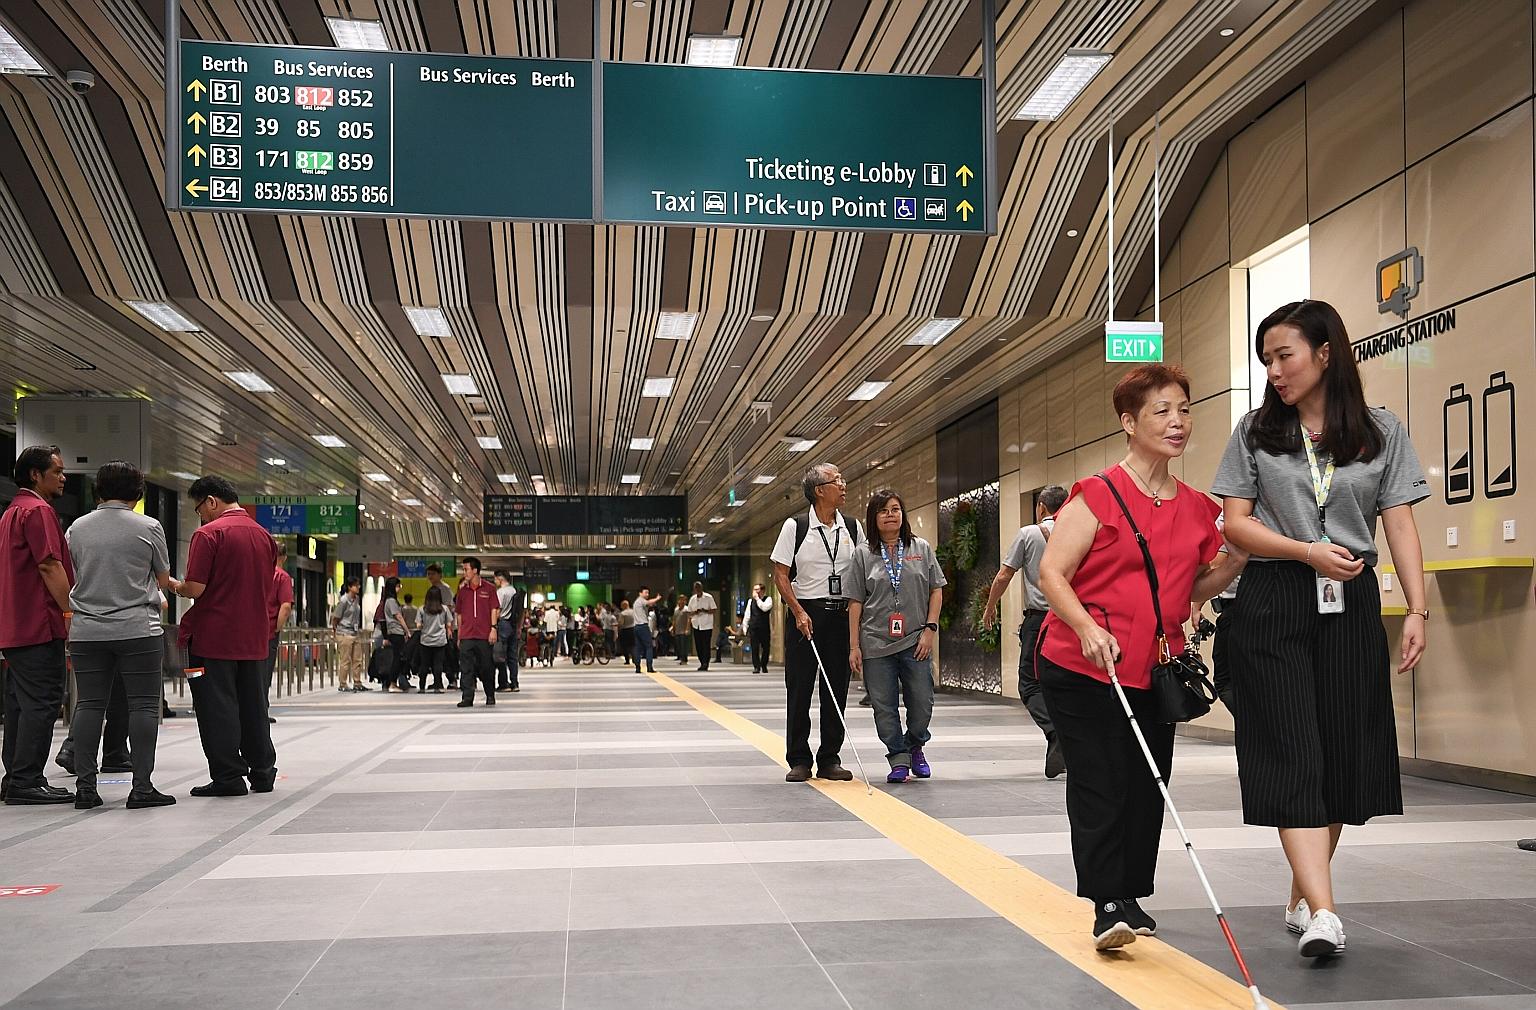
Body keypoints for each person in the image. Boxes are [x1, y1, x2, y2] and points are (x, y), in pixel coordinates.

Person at [1213, 299, 1429, 960]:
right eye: (1267, 360)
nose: (1275, 371)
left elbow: (1398, 521)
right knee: (1290, 749)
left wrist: (1417, 609)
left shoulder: (1380, 430)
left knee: (1339, 751)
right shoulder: (1254, 431)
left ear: (1326, 352)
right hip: (1275, 595)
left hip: (1352, 598)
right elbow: (1235, 525)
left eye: (1286, 356)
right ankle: (1326, 913)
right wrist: (1304, 551)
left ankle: (1306, 890)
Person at [1035, 364, 1244, 950]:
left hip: (1155, 668)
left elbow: (1191, 589)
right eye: (1162, 411)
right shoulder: (1097, 494)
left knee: (1148, 780)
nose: (1178, 422)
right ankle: (1107, 902)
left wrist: (1235, 559)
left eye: (1184, 409)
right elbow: (1053, 572)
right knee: (1101, 778)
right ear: (1128, 422)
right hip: (1084, 665)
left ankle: (1129, 892)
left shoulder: (1200, 508)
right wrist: (1084, 628)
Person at [63, 461, 179, 809]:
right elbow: (162, 580)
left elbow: (73, 574)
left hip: (87, 630)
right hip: (137, 629)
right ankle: (141, 788)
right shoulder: (149, 526)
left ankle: (85, 788)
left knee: (88, 704)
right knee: (143, 705)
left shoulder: (76, 529)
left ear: (98, 490)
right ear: (138, 492)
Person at [176, 475, 279, 797]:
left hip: (213, 638)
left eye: (199, 509)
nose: (200, 516)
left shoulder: (209, 534)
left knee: (215, 707)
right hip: (254, 638)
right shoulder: (264, 536)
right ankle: (262, 773)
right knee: (254, 706)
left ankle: (228, 777)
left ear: (211, 501)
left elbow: (195, 588)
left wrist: (174, 585)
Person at [771, 462, 863, 783]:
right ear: (819, 490)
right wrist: (797, 610)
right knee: (800, 689)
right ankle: (798, 758)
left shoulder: (852, 528)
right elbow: (780, 574)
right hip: (805, 615)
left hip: (839, 615)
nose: (843, 483)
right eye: (836, 480)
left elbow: (863, 570)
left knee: (835, 690)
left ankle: (829, 759)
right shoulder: (795, 527)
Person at [848, 489, 945, 783]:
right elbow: (855, 601)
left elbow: (936, 589)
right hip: (875, 641)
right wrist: (854, 645)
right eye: (883, 511)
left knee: (922, 701)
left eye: (895, 509)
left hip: (916, 639)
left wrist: (930, 629)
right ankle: (898, 757)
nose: (891, 515)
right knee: (883, 705)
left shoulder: (920, 547)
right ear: (873, 518)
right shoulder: (863, 554)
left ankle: (915, 744)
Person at [0, 446, 76, 805]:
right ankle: (27, 779)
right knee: (43, 702)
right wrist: (71, 610)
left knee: (19, 702)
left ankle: (16, 775)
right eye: (57, 471)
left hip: (15, 624)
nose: (63, 477)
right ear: (35, 474)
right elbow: (49, 565)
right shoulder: (38, 511)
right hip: (38, 623)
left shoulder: (12, 512)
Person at [983, 484, 1070, 778]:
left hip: (1040, 621)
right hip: (1073, 621)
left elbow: (1005, 574)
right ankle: (1068, 743)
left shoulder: (1029, 534)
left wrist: (990, 607)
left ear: (1041, 507)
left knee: (1030, 684)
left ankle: (1056, 732)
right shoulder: (1079, 532)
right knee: (1064, 684)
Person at [453, 557, 498, 708]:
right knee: (466, 668)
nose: (464, 572)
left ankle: (490, 694)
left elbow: (494, 609)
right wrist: (459, 634)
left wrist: (493, 628)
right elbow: (458, 614)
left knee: (486, 666)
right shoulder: (462, 591)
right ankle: (467, 697)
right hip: (466, 635)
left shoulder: (489, 588)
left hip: (484, 635)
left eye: (466, 569)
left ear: (475, 570)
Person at [264, 539, 294, 723]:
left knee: (251, 673)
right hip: (268, 632)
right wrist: (277, 627)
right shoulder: (282, 577)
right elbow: (285, 607)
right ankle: (260, 712)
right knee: (264, 674)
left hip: (251, 630)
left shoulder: (257, 573)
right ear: (283, 557)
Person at [330, 577, 369, 692]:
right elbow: (336, 618)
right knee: (345, 660)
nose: (358, 587)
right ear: (349, 587)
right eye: (356, 585)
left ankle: (357, 682)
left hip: (354, 632)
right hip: (344, 633)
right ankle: (343, 683)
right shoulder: (343, 600)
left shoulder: (356, 599)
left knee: (357, 659)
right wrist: (336, 632)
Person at [415, 584, 453, 693]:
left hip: (425, 640)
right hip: (440, 641)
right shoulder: (444, 609)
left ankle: (422, 687)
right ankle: (437, 687)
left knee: (424, 665)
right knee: (438, 665)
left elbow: (418, 625)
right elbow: (449, 624)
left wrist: (425, 625)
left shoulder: (422, 609)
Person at [379, 577, 409, 692]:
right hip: (396, 632)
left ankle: (392, 682)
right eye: (398, 586)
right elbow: (398, 617)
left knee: (398, 657)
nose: (399, 588)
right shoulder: (391, 601)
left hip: (394, 632)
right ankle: (392, 683)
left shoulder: (389, 600)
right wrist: (407, 630)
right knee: (398, 658)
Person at [494, 572, 523, 692]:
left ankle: (503, 683)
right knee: (512, 656)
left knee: (500, 655)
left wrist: (493, 626)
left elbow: (497, 610)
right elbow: (521, 611)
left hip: (503, 624)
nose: (495, 581)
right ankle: (514, 682)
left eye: (495, 579)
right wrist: (519, 627)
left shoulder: (501, 592)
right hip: (513, 624)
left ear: (500, 578)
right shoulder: (515, 591)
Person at [687, 581, 717, 671]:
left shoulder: (708, 597)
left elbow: (714, 610)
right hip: (696, 625)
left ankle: (705, 663)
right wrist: (695, 612)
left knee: (706, 645)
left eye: (698, 588)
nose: (697, 590)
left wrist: (705, 611)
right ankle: (701, 662)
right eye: (695, 588)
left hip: (707, 625)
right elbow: (689, 612)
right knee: (698, 645)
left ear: (701, 588)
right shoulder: (692, 599)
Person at [747, 583, 772, 674]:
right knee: (754, 647)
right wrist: (745, 627)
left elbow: (764, 608)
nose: (755, 592)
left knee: (766, 647)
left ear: (763, 590)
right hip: (754, 627)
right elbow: (747, 614)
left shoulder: (768, 599)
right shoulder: (751, 601)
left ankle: (764, 665)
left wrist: (757, 599)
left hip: (764, 627)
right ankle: (756, 666)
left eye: (757, 589)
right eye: (754, 590)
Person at [631, 588, 657, 673]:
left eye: (648, 593)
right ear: (640, 593)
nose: (647, 594)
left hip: (636, 627)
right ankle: (649, 667)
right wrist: (657, 598)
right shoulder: (641, 600)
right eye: (645, 592)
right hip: (643, 626)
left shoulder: (636, 603)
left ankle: (637, 667)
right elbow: (649, 602)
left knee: (637, 647)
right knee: (649, 646)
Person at [400, 592, 420, 685]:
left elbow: (402, 619)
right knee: (413, 653)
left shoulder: (403, 609)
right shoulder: (416, 609)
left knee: (406, 654)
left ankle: (405, 673)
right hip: (415, 631)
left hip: (407, 631)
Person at [617, 598, 635, 663]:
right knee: (633, 645)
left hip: (625, 630)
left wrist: (618, 626)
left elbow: (621, 623)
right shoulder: (633, 612)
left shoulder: (623, 613)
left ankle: (627, 660)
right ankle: (634, 658)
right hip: (633, 629)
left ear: (623, 606)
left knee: (625, 646)